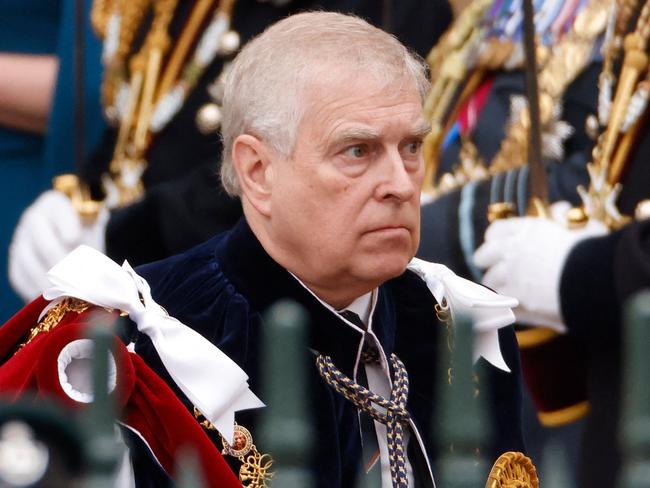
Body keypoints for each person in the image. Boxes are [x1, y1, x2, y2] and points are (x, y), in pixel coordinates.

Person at [134, 12, 525, 487]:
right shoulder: (148, 342)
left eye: (411, 147)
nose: (401, 185)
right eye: (358, 151)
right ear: (258, 171)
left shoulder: (461, 321)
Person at [9, 0, 452, 305]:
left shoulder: (380, 11)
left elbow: (274, 172)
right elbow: (144, 115)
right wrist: (82, 200)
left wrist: (121, 232)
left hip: (243, 293)